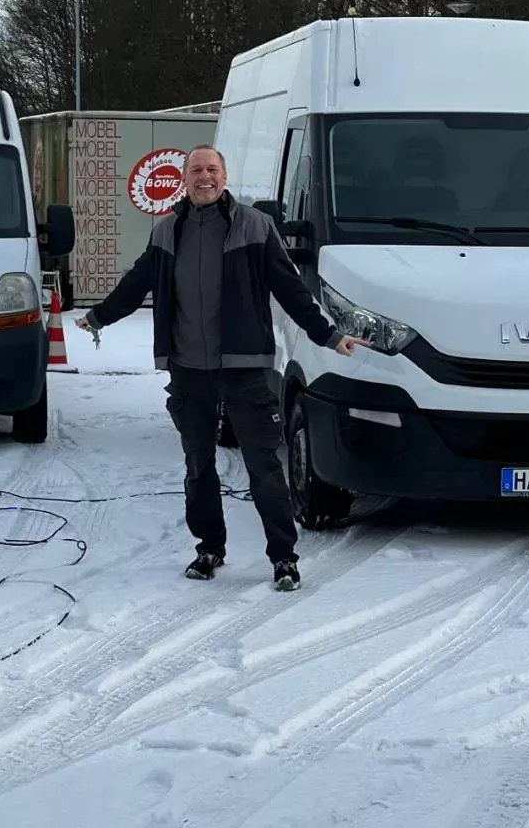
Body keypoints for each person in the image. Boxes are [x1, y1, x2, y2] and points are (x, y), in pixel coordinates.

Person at [77, 145, 364, 590]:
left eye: (212, 170)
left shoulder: (255, 226)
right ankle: (210, 546)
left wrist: (327, 334)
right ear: (185, 179)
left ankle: (283, 557)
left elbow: (289, 289)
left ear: (224, 177)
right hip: (189, 369)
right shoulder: (166, 232)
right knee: (198, 464)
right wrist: (99, 317)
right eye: (196, 170)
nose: (204, 177)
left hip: (244, 368)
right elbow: (137, 283)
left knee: (264, 466)